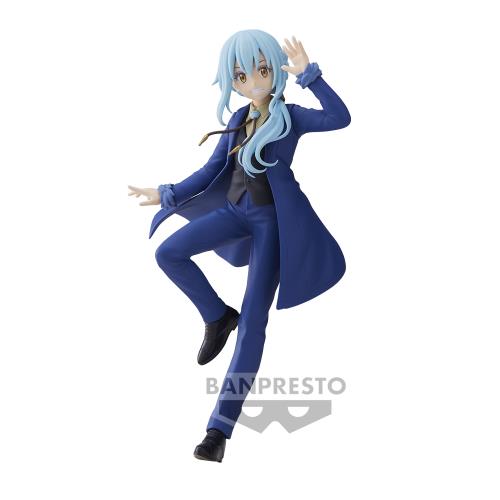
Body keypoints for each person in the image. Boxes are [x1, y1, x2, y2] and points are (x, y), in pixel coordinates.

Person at [128, 29, 351, 462]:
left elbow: (340, 117)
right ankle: (217, 315)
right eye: (241, 75)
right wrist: (166, 193)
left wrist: (310, 76)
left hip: (272, 226)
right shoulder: (236, 119)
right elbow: (210, 170)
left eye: (262, 70)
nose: (252, 81)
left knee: (253, 324)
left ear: (274, 71)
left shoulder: (292, 117)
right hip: (234, 212)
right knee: (168, 253)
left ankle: (218, 430)